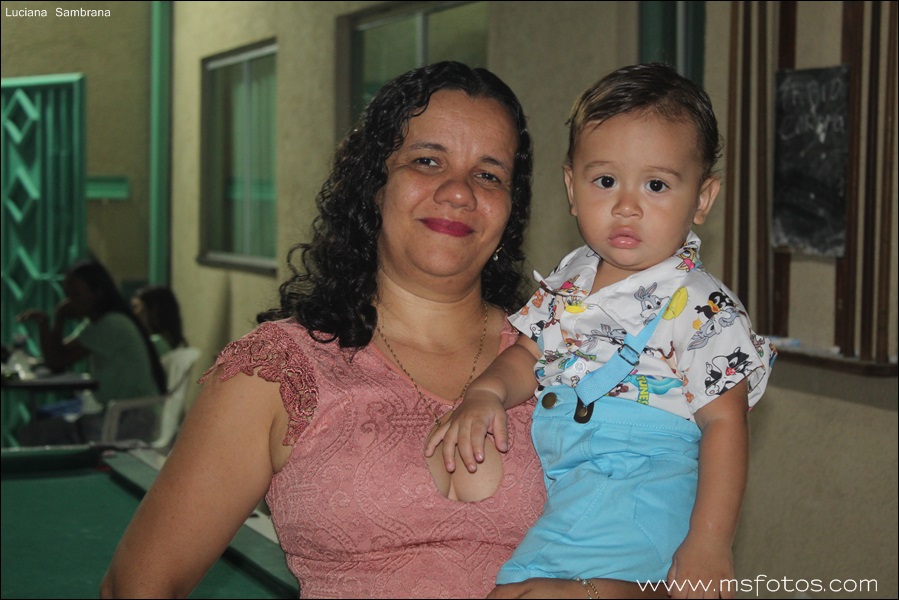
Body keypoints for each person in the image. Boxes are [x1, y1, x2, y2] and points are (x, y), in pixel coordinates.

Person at [100, 62, 663, 600]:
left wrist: (602, 593)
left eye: (489, 174)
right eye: (427, 161)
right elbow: (138, 586)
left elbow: (692, 568)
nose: (459, 191)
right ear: (375, 184)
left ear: (510, 209)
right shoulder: (277, 372)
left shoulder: (583, 356)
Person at [426, 63, 778, 597]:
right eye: (606, 181)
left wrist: (710, 540)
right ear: (572, 187)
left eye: (656, 185)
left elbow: (726, 425)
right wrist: (486, 392)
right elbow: (529, 353)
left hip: (639, 485)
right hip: (576, 483)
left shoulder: (701, 304)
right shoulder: (572, 275)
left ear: (702, 199)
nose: (627, 206)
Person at [16, 259, 167, 443]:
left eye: (76, 294)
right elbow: (56, 354)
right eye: (67, 295)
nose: (70, 301)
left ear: (97, 292)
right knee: (42, 425)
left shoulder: (111, 324)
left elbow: (56, 360)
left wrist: (60, 316)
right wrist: (45, 324)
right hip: (122, 414)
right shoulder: (96, 324)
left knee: (33, 434)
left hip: (131, 418)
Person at [131, 284, 187, 357]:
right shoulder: (175, 343)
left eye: (136, 307)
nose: (133, 313)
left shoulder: (155, 343)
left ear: (154, 310)